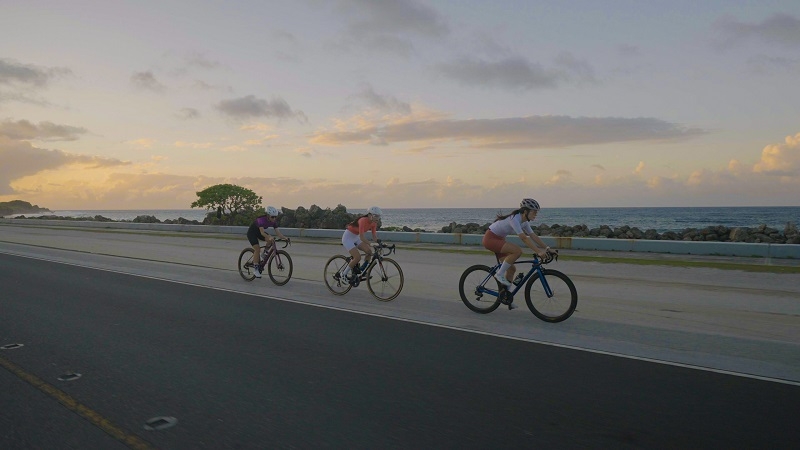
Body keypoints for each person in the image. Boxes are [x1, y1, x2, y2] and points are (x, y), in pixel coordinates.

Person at [482, 198, 552, 288]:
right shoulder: (514, 219)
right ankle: (499, 274)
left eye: (536, 212)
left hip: (500, 240)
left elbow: (533, 236)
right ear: (526, 211)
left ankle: (505, 295)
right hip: (490, 239)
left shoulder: (524, 222)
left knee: (511, 269)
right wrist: (538, 251)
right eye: (534, 212)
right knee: (517, 251)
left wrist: (547, 248)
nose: (536, 214)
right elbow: (523, 238)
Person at [339, 206, 382, 282]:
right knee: (357, 257)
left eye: (378, 216)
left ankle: (362, 270)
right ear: (369, 215)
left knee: (369, 252)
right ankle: (343, 274)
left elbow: (374, 236)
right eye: (375, 216)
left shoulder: (374, 223)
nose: (377, 218)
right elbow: (362, 237)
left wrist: (379, 242)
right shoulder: (362, 220)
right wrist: (370, 244)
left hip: (355, 237)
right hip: (348, 237)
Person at [246, 206, 288, 278]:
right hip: (252, 233)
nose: (274, 219)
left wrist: (285, 238)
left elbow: (278, 233)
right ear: (268, 215)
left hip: (259, 232)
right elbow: (262, 233)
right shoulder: (261, 219)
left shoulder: (274, 222)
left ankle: (264, 253)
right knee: (257, 249)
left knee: (271, 240)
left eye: (275, 217)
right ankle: (256, 269)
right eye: (272, 217)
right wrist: (269, 237)